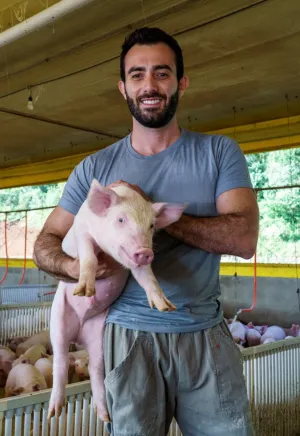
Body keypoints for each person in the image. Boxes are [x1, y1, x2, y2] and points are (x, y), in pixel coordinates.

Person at [33, 27, 259, 436]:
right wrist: (81, 266)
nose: (149, 85)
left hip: (204, 334)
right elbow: (44, 244)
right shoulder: (93, 170)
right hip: (123, 337)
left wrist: (148, 217)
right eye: (137, 75)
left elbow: (243, 239)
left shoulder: (219, 152)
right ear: (123, 88)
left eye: (162, 73)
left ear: (181, 82)